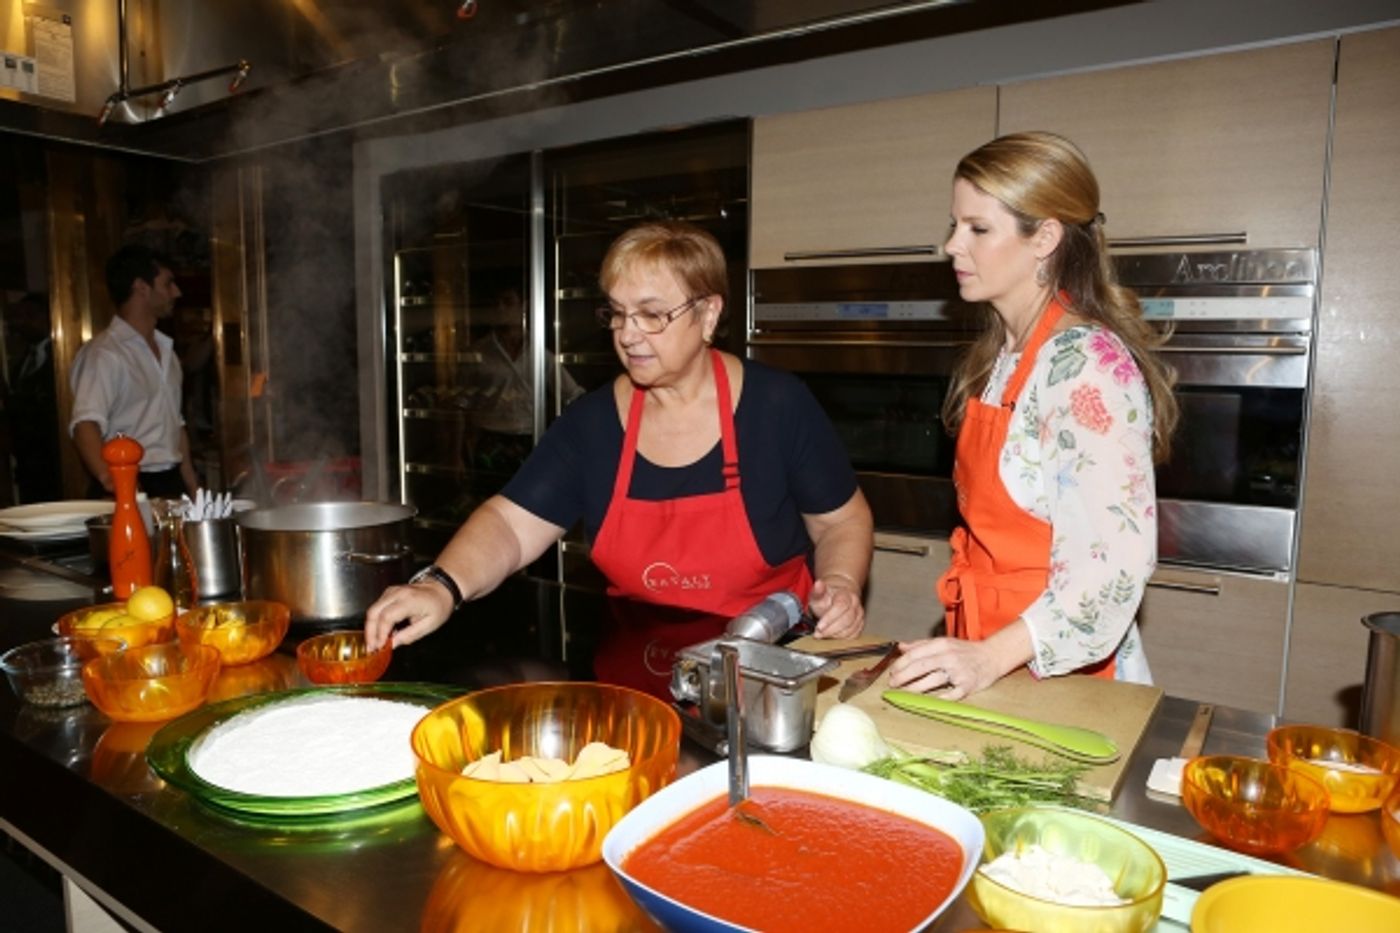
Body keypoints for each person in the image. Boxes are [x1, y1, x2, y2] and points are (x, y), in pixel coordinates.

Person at [367, 222, 874, 682]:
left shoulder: (777, 406)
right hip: (636, 670)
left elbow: (840, 523)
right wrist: (441, 586)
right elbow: (510, 524)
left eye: (651, 315)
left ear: (708, 313)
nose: (627, 335)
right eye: (617, 313)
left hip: (767, 666)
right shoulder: (594, 424)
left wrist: (841, 583)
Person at [887, 131, 1178, 700]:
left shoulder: (1083, 366)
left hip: (1064, 676)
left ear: (1044, 237)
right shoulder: (1008, 357)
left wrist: (989, 656)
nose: (951, 245)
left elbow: (1113, 570)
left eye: (977, 228)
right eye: (954, 224)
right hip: (993, 657)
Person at [69, 245, 199, 500]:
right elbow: (85, 424)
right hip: (128, 478)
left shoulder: (167, 350)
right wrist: (112, 480)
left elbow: (175, 422)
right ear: (141, 287)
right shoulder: (105, 353)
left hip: (170, 481)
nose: (177, 292)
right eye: (168, 283)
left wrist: (191, 484)